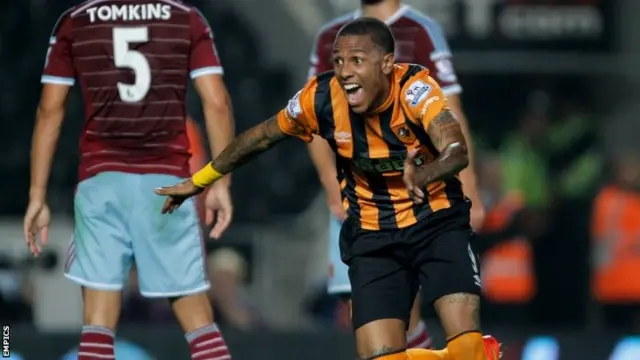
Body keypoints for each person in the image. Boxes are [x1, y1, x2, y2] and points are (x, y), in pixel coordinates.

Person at [157, 17, 500, 360]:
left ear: (385, 64)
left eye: (357, 61)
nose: (345, 71)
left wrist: (425, 175)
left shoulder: (415, 90)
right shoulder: (319, 97)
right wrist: (201, 180)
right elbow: (259, 138)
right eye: (338, 61)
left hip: (435, 222)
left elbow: (456, 150)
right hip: (373, 236)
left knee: (465, 352)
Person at [23, 1, 235, 359]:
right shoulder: (185, 18)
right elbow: (216, 103)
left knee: (98, 325)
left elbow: (49, 109)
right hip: (168, 186)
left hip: (101, 183)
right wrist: (222, 183)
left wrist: (37, 194)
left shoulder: (76, 20)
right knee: (199, 325)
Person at [307, 0, 486, 349]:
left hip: (415, 199)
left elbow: (450, 113)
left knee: (409, 305)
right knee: (359, 305)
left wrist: (471, 189)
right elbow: (313, 116)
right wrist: (332, 189)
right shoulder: (331, 35)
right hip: (356, 193)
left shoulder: (421, 30)